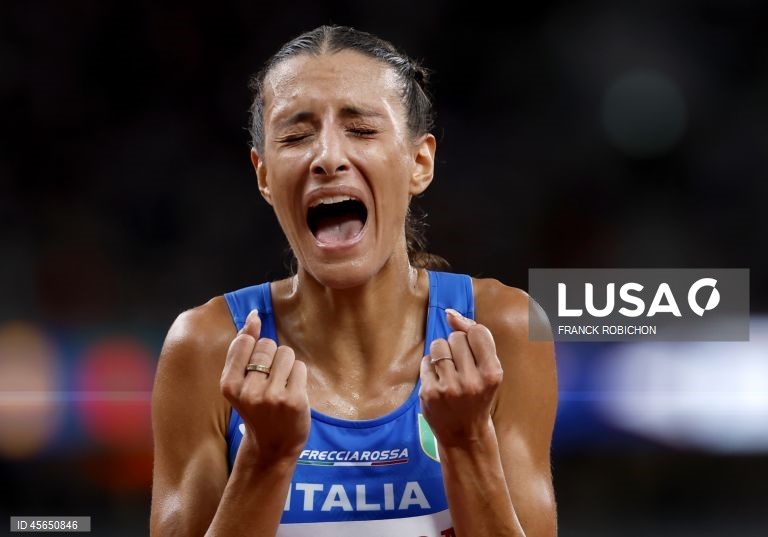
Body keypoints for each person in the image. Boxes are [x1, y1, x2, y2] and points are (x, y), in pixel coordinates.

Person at [150, 25, 557, 537]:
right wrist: (266, 459)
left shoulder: (504, 329)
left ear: (419, 161)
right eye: (296, 136)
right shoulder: (206, 347)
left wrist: (467, 444)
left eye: (361, 130)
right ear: (263, 176)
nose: (327, 157)